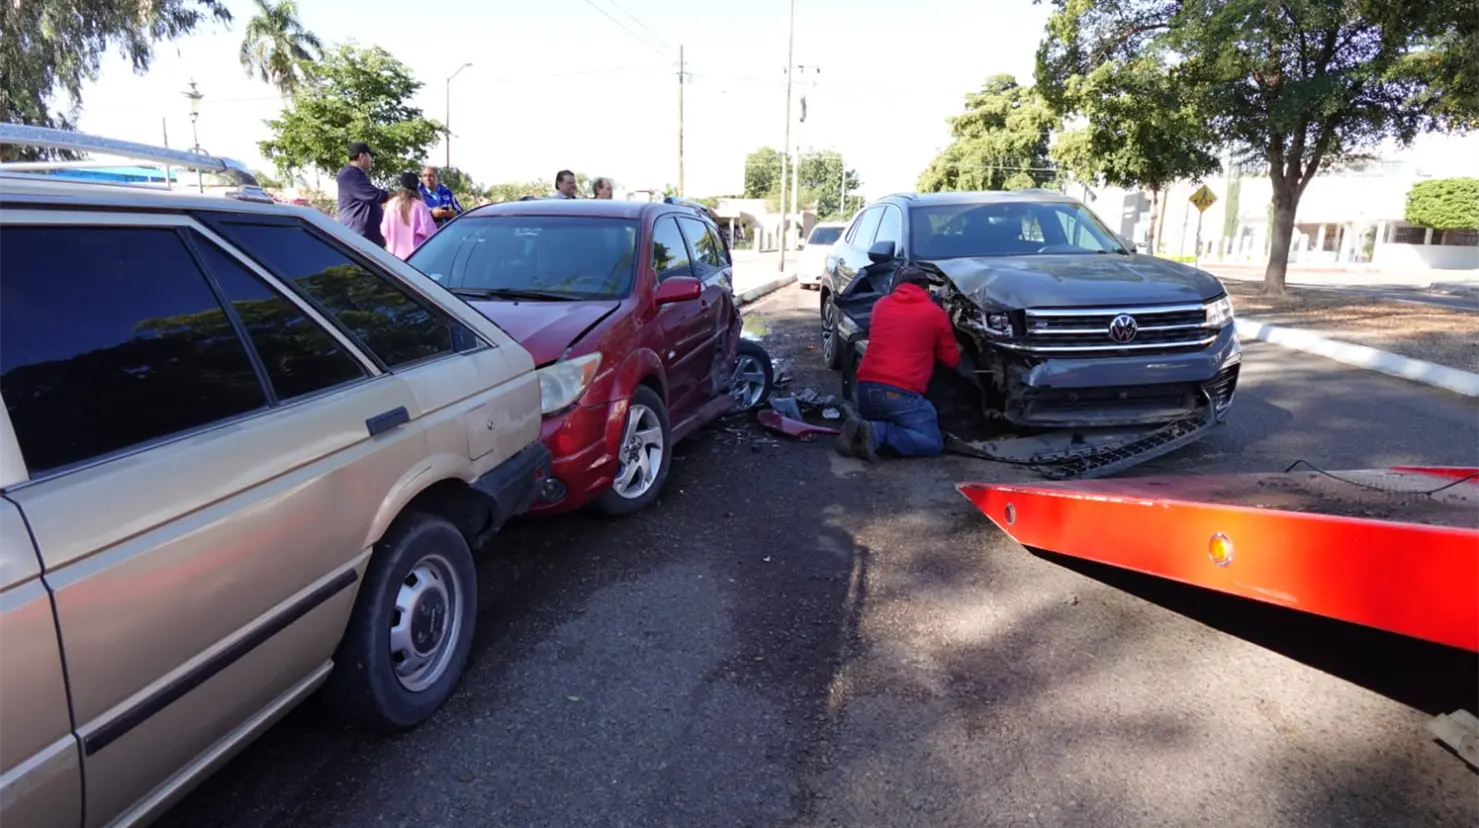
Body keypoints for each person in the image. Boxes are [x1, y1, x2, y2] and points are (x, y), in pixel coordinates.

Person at [836, 266, 960, 462]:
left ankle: (864, 427)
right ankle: (877, 433)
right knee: (931, 441)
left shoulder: (881, 305)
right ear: (927, 290)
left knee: (892, 417)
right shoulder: (935, 313)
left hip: (865, 390)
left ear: (896, 287)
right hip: (899, 395)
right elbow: (951, 361)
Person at [336, 142, 391, 246]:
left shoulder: (356, 174)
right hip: (359, 237)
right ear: (362, 156)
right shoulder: (350, 174)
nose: (371, 160)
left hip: (366, 237)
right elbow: (374, 195)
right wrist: (396, 195)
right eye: (370, 156)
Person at [380, 171, 436, 259]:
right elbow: (431, 235)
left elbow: (384, 231)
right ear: (417, 187)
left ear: (401, 186)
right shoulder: (420, 206)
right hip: (415, 261)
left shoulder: (391, 205)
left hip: (393, 260)